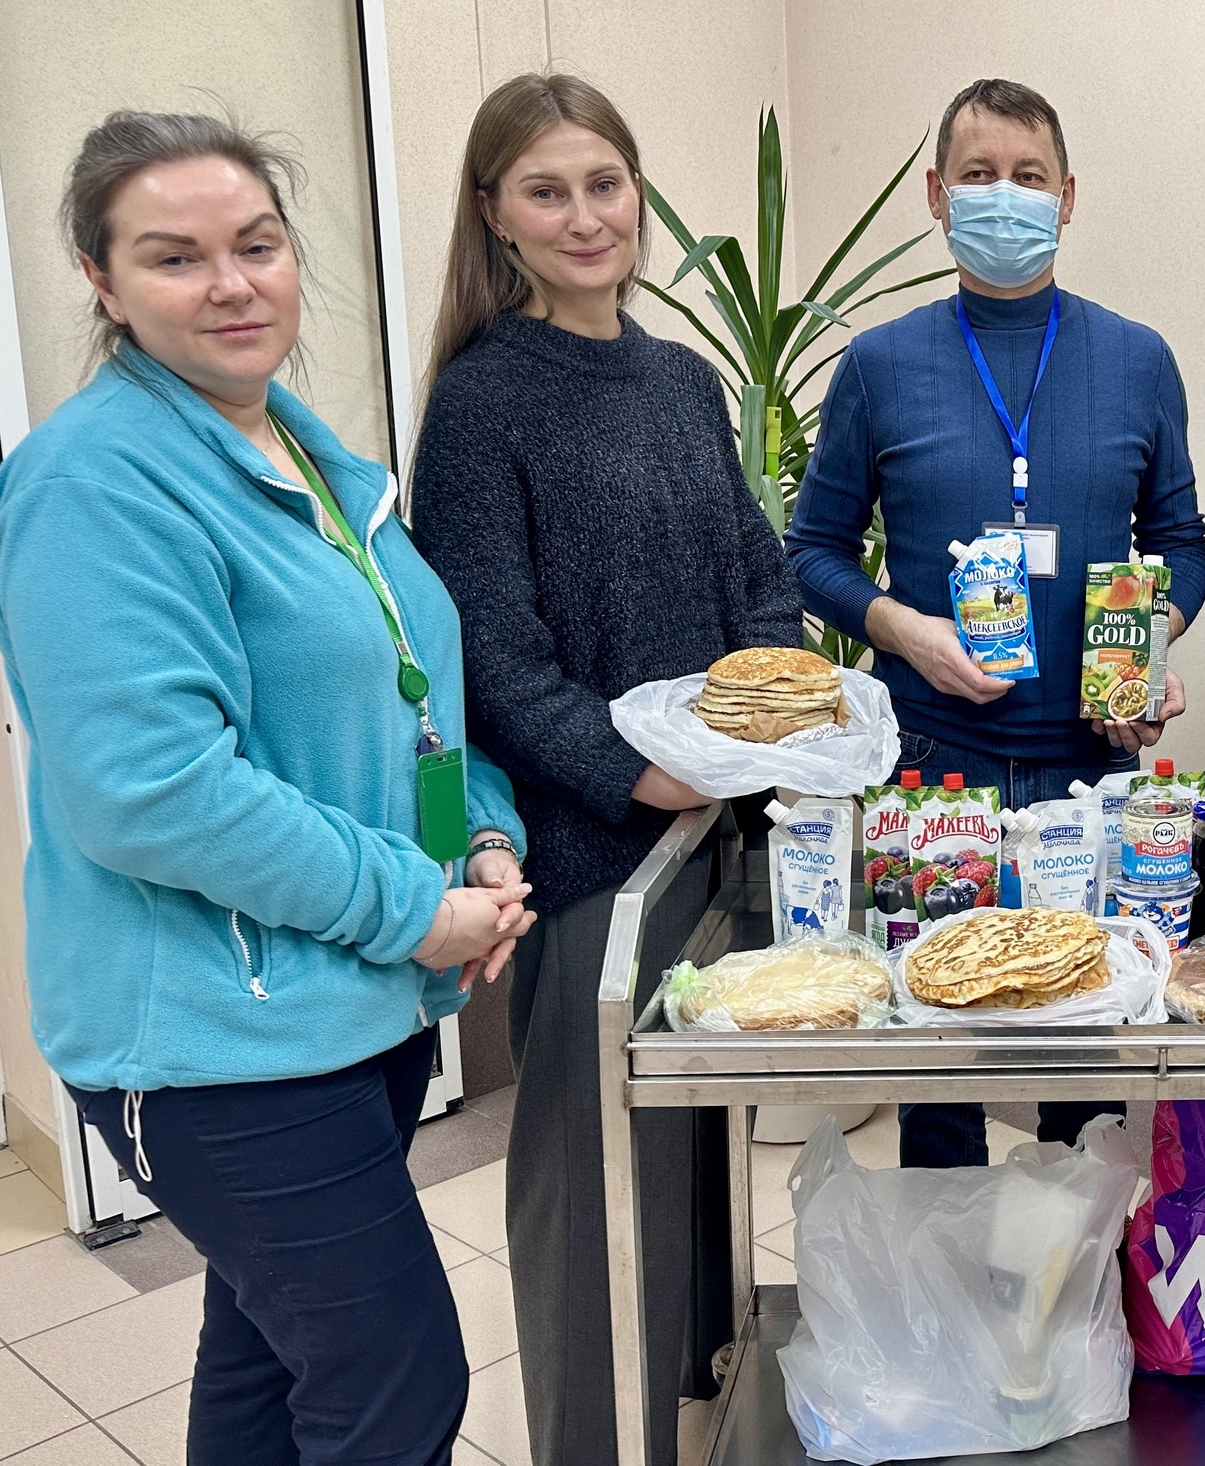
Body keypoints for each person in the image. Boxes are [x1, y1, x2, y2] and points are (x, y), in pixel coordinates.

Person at [0, 112, 532, 1465]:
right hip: (218, 1046)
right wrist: (415, 906)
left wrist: (480, 837)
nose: (231, 284)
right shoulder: (94, 485)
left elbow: (405, 698)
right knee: (395, 1378)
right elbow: (153, 791)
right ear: (102, 280)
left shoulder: (304, 456)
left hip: (345, 1007)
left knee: (266, 1366)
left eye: (257, 244)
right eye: (174, 257)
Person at [410, 75, 799, 1466]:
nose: (585, 217)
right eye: (546, 190)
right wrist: (642, 776)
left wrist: (764, 710)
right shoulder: (482, 402)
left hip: (714, 844)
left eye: (605, 184)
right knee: (589, 1201)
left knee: (689, 1169)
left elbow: (758, 574)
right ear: (495, 216)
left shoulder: (683, 380)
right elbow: (491, 655)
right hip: (593, 863)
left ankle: (688, 1409)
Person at [787, 77, 1205, 1168]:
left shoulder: (1137, 360)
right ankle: (947, 1255)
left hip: (1089, 759)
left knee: (1086, 1043)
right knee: (937, 1051)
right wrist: (904, 629)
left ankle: (1070, 1259)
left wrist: (1146, 649)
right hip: (935, 769)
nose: (1004, 196)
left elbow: (1182, 542)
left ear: (1067, 197)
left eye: (1028, 176)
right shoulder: (880, 365)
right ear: (937, 195)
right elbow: (813, 552)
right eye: (979, 175)